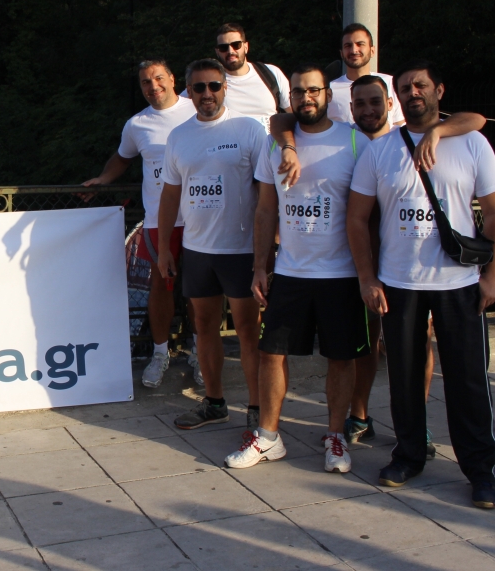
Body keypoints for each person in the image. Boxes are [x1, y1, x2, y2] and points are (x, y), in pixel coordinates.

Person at [271, 74, 487, 454]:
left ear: (391, 104)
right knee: (367, 345)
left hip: (417, 268)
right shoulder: (357, 142)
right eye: (360, 104)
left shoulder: (413, 135)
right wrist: (288, 144)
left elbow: (476, 119)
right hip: (368, 266)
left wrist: (437, 132)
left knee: (421, 347)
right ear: (350, 108)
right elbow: (282, 119)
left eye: (376, 102)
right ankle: (360, 415)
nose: (368, 110)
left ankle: (418, 426)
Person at [347, 61, 495, 509]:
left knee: (468, 381)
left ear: (439, 90)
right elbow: (357, 218)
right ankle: (409, 454)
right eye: (405, 87)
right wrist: (367, 277)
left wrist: (492, 276)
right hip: (400, 282)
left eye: (420, 85)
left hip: (459, 282)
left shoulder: (470, 142)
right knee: (403, 377)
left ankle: (481, 470)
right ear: (397, 98)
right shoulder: (380, 150)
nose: (413, 92)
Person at [225, 64, 371, 474]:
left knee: (341, 357)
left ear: (327, 95)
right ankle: (269, 437)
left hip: (341, 273)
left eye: (313, 91)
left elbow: (369, 212)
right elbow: (265, 210)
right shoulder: (275, 145)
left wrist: (370, 274)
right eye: (298, 92)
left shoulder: (355, 142)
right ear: (289, 97)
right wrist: (260, 267)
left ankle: (336, 436)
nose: (306, 98)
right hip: (290, 272)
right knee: (271, 354)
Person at [157, 58, 266, 431]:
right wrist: (164, 249)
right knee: (203, 327)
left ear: (225, 88)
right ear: (188, 91)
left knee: (248, 332)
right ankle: (215, 402)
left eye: (214, 86)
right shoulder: (179, 136)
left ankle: (257, 408)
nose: (207, 93)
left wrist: (267, 248)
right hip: (198, 250)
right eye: (199, 87)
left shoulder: (248, 129)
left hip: (241, 250)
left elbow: (267, 193)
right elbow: (170, 195)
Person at [82, 60, 199, 388]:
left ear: (172, 79)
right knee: (161, 286)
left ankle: (201, 351)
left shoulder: (197, 110)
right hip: (160, 221)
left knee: (199, 289)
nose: (153, 86)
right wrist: (104, 179)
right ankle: (160, 354)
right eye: (146, 82)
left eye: (158, 78)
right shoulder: (137, 124)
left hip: (200, 216)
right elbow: (123, 157)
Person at [213, 23, 291, 132]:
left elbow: (293, 112)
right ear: (217, 52)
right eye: (223, 48)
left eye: (236, 45)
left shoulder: (270, 73)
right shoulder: (211, 83)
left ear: (246, 47)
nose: (230, 51)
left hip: (271, 141)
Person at [326, 24, 405, 129]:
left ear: (372, 51)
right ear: (341, 53)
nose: (354, 50)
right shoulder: (329, 90)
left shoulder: (391, 83)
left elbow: (400, 127)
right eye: (348, 46)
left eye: (360, 44)